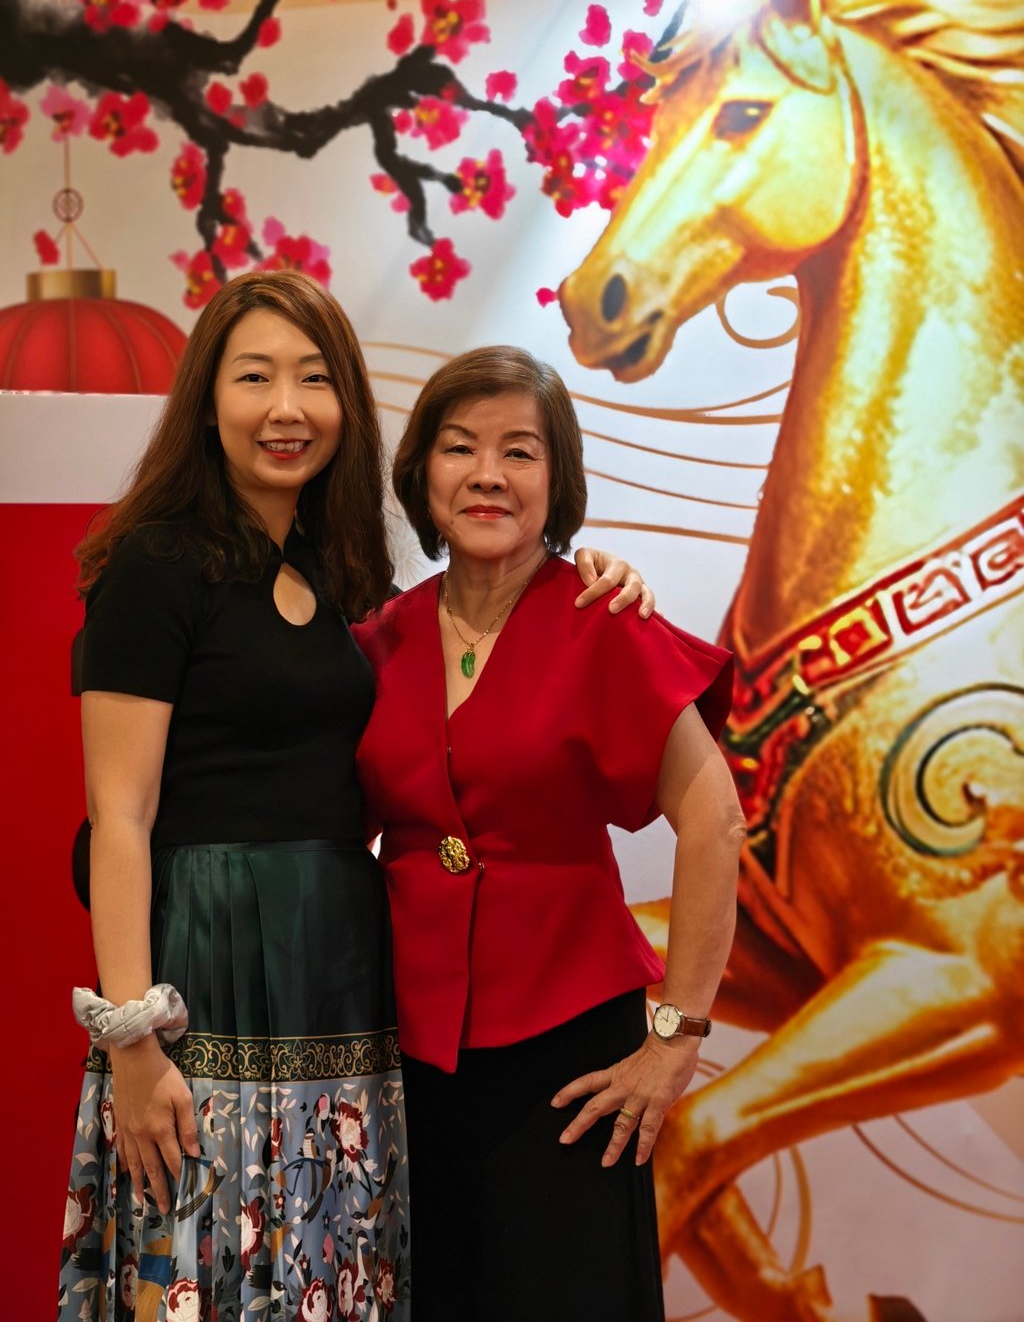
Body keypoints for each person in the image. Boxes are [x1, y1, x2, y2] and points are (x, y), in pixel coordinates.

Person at [58, 274, 651, 1320]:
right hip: (207, 970)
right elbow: (120, 817)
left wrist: (582, 566)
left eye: (315, 379)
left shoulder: (338, 574)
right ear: (207, 399)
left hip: (340, 976)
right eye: (254, 377)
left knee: (326, 1265)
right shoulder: (155, 562)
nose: (286, 408)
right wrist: (133, 1039)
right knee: (203, 1255)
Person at [353, 345, 746, 1321]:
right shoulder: (377, 639)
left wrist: (676, 1038)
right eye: (459, 447)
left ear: (556, 478)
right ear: (421, 473)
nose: (487, 474)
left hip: (574, 1061)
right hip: (408, 1056)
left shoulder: (603, 620)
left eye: (519, 451)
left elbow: (715, 820)